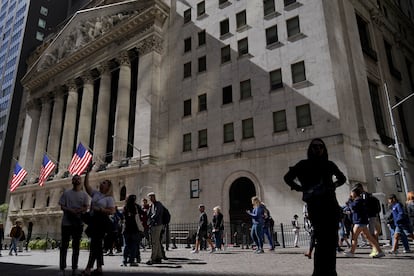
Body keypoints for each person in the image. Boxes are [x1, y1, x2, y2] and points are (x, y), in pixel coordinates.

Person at [284, 138, 346, 276]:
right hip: (316, 207)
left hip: (330, 205)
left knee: (330, 241)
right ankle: (319, 272)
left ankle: (330, 271)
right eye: (315, 146)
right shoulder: (303, 165)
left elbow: (342, 178)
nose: (318, 149)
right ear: (310, 149)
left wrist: (332, 186)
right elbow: (287, 177)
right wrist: (300, 189)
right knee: (322, 240)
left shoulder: (329, 164)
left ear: (324, 149)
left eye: (321, 146)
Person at [81, 165, 115, 276]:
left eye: (104, 183)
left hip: (101, 222)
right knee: (97, 246)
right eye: (102, 182)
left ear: (108, 187)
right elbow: (86, 186)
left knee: (95, 245)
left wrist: (100, 209)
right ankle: (99, 268)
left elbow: (112, 211)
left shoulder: (109, 198)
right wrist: (87, 173)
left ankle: (88, 269)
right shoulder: (96, 193)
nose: (101, 183)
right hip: (93, 221)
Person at [58, 174, 89, 276]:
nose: (77, 180)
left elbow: (86, 207)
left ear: (80, 181)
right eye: (75, 179)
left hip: (78, 223)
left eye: (78, 179)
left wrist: (79, 210)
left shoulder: (84, 195)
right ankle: (62, 268)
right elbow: (62, 206)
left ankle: (74, 268)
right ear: (72, 181)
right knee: (64, 246)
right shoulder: (66, 193)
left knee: (76, 247)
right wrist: (70, 210)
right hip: (66, 223)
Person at [343, 188, 384, 258]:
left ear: (355, 193)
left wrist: (349, 201)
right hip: (362, 222)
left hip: (359, 222)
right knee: (369, 237)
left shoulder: (358, 200)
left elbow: (353, 207)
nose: (351, 194)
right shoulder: (359, 200)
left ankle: (351, 252)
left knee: (354, 237)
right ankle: (380, 251)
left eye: (352, 193)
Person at [121, 194, 145, 267]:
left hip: (126, 229)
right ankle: (131, 261)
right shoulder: (136, 207)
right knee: (134, 246)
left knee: (126, 246)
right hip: (134, 229)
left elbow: (122, 217)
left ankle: (124, 260)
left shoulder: (125, 207)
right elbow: (143, 213)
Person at [146, 192, 166, 265]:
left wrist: (150, 219)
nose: (150, 199)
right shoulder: (152, 205)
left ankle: (153, 258)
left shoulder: (158, 204)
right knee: (156, 241)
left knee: (154, 242)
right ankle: (159, 257)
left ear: (154, 197)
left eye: (151, 197)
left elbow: (156, 214)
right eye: (149, 197)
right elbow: (148, 214)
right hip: (154, 224)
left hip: (157, 225)